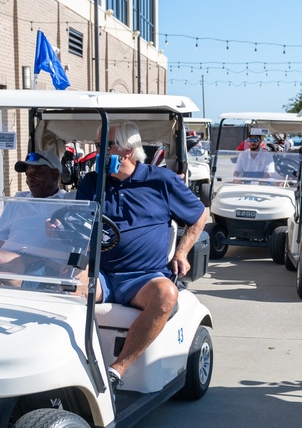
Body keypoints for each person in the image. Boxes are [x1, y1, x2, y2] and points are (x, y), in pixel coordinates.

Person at [75, 121, 208, 388]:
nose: (99, 152)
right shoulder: (92, 181)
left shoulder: (161, 180)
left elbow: (200, 214)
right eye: (98, 145)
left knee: (166, 294)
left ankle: (117, 369)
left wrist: (181, 252)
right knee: (65, 287)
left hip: (143, 278)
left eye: (106, 146)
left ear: (127, 150)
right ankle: (71, 363)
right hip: (101, 271)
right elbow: (79, 222)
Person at [0, 149, 73, 277]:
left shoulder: (71, 202)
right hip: (11, 260)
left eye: (36, 173)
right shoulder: (18, 201)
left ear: (54, 174)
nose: (29, 179)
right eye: (28, 174)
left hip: (47, 265)